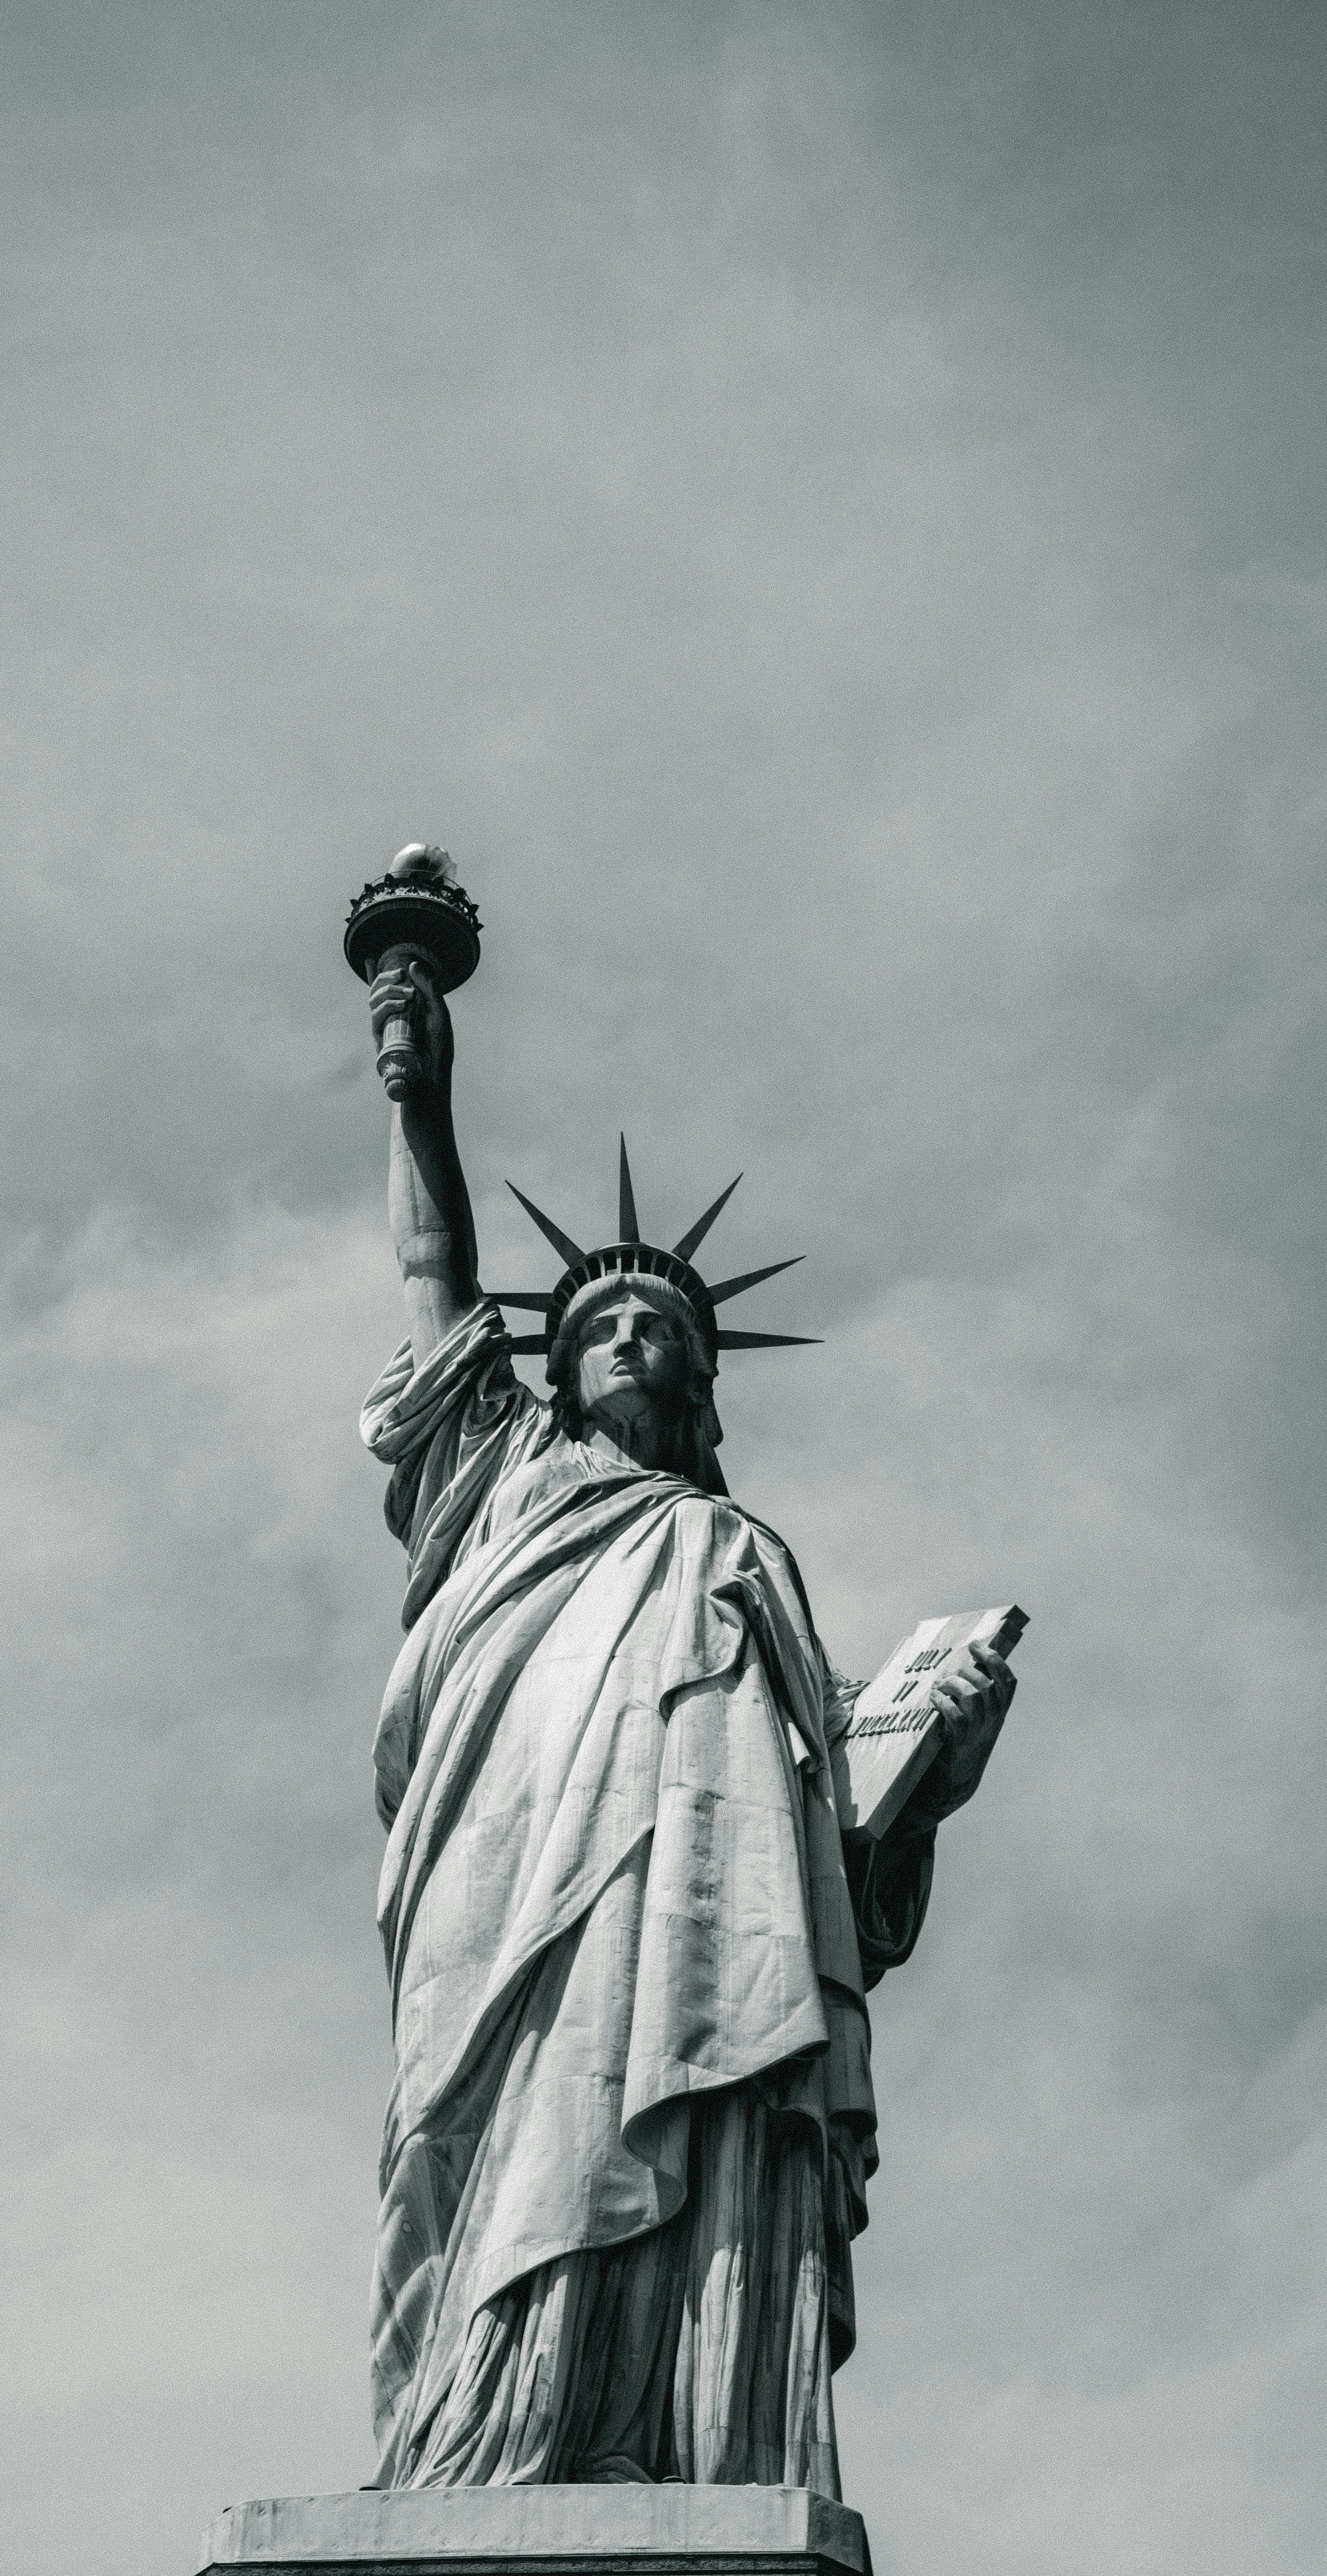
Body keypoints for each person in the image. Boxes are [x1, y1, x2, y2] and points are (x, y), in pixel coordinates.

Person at [360, 954, 1014, 2495]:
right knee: (504, 2125)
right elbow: (433, 1272)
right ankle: (484, 2431)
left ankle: (674, 2426)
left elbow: (833, 1826)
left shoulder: (739, 1552)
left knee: (701, 2089)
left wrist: (934, 1770)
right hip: (514, 1856)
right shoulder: (504, 1482)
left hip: (704, 1897)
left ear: (705, 1380)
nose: (631, 1342)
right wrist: (420, 1095)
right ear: (557, 1371)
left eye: (660, 1326)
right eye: (601, 1326)